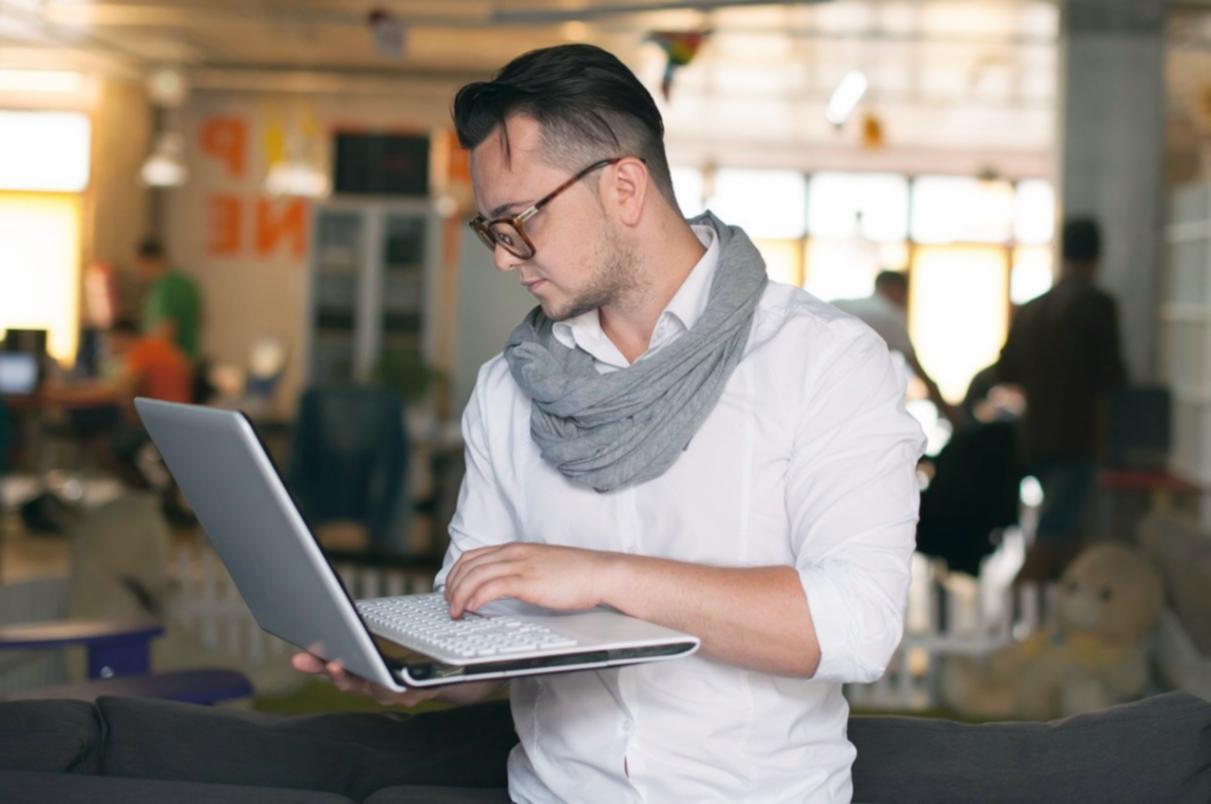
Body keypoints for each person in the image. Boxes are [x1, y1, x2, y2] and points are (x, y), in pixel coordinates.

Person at [295, 44, 925, 802]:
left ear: (624, 187)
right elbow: (482, 629)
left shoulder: (822, 362)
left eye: (518, 220)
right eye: (490, 229)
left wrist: (605, 576)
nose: (504, 258)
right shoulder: (508, 390)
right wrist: (414, 673)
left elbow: (856, 625)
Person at [997, 217, 1127, 583]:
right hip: (1078, 436)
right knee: (1056, 531)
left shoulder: (1034, 309)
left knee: (1065, 534)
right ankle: (1013, 614)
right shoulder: (1098, 305)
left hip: (1034, 435)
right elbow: (1112, 375)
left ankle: (1060, 625)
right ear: (1098, 256)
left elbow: (1006, 371)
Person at [832, 270, 961, 426]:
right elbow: (918, 371)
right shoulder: (889, 316)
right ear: (895, 289)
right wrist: (955, 419)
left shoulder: (839, 304)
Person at [136, 237, 202, 363]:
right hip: (185, 361)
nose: (138, 272)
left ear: (146, 261)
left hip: (168, 366)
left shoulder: (168, 287)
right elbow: (202, 318)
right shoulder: (185, 283)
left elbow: (166, 332)